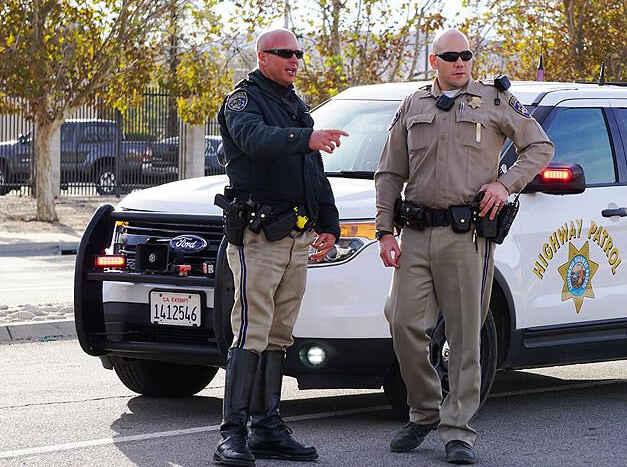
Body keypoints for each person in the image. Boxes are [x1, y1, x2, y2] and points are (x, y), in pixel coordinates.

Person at [375, 28, 554, 464]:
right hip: (415, 233)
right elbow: (389, 172)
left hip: (466, 235)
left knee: (464, 336)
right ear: (433, 61)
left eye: (467, 55)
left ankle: (458, 431)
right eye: (451, 56)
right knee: (402, 323)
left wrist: (505, 183)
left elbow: (539, 146)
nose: (461, 62)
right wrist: (383, 230)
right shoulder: (413, 103)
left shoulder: (494, 100)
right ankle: (424, 411)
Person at [213, 28, 348, 467]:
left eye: (298, 54)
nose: (294, 60)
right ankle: (232, 434)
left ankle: (267, 427)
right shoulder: (243, 100)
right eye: (284, 53)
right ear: (262, 56)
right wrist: (303, 138)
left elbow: (313, 170)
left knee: (279, 334)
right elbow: (253, 139)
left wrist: (330, 222)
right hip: (259, 235)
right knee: (251, 329)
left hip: (296, 235)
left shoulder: (295, 102)